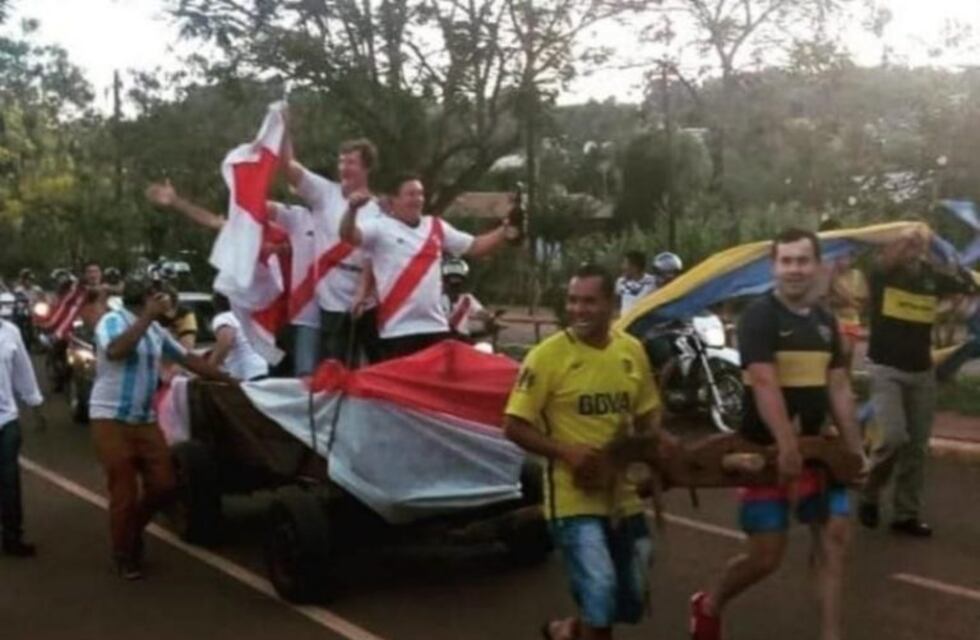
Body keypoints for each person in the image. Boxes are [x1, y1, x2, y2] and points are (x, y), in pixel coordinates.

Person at [689, 228, 867, 640]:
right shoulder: (760, 317)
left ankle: (831, 634)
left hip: (818, 454)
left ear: (818, 265)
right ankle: (710, 603)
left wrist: (855, 453)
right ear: (774, 266)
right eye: (786, 261)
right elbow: (764, 382)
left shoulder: (827, 324)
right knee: (766, 556)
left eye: (803, 260)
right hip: (762, 453)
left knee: (835, 536)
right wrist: (786, 447)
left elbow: (839, 389)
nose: (795, 269)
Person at [503, 263, 674, 640]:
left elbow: (648, 411)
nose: (579, 309)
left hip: (622, 495)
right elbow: (513, 425)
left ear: (611, 304)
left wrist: (657, 439)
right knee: (599, 587)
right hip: (572, 498)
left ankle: (569, 629)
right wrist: (565, 452)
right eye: (572, 301)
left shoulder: (631, 352)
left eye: (589, 302)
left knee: (630, 592)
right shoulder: (546, 357)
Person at [89, 276, 233, 579]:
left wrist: (231, 381)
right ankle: (124, 553)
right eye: (161, 297)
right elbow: (116, 351)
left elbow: (188, 359)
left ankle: (131, 530)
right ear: (147, 299)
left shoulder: (155, 330)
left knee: (165, 485)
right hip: (110, 417)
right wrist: (147, 317)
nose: (167, 303)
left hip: (144, 419)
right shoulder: (112, 322)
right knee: (124, 489)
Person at [858, 228, 976, 537]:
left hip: (922, 372)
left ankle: (905, 514)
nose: (914, 246)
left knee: (917, 447)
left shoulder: (930, 276)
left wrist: (954, 270)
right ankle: (869, 492)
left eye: (920, 242)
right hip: (886, 369)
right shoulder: (883, 274)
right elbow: (886, 261)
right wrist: (905, 240)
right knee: (894, 436)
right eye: (908, 241)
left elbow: (966, 286)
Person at [145, 180, 321, 374]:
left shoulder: (289, 229)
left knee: (305, 372)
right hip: (272, 319)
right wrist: (177, 202)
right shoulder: (247, 234)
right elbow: (212, 221)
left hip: (303, 313)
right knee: (278, 373)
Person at [339, 173, 513, 360]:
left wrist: (505, 229)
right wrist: (352, 210)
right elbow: (348, 236)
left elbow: (476, 246)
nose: (418, 199)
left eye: (420, 194)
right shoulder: (380, 227)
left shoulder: (436, 226)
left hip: (435, 327)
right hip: (397, 330)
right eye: (411, 194)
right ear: (393, 200)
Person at [281, 133, 385, 365]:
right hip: (332, 298)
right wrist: (284, 128)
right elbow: (288, 167)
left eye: (351, 162)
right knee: (335, 366)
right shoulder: (325, 192)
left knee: (375, 364)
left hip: (367, 299)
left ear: (366, 167)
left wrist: (362, 292)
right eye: (341, 162)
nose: (343, 168)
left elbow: (374, 257)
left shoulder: (379, 209)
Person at [0, 315, 46, 556]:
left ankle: (12, 536)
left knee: (9, 480)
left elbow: (23, 372)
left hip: (6, 419)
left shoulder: (10, 332)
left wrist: (35, 405)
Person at [209, 293, 269, 381]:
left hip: (247, 373)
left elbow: (225, 342)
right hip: (264, 369)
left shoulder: (223, 318)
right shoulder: (248, 317)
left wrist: (210, 368)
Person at [440, 258, 492, 338]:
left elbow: (480, 312)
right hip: (441, 339)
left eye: (458, 281)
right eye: (452, 279)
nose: (455, 285)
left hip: (462, 339)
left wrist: (490, 316)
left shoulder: (468, 299)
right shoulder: (437, 299)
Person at [615, 250, 657, 315]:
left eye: (625, 264)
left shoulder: (652, 282)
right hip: (627, 323)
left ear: (635, 268)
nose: (622, 267)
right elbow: (616, 303)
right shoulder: (620, 282)